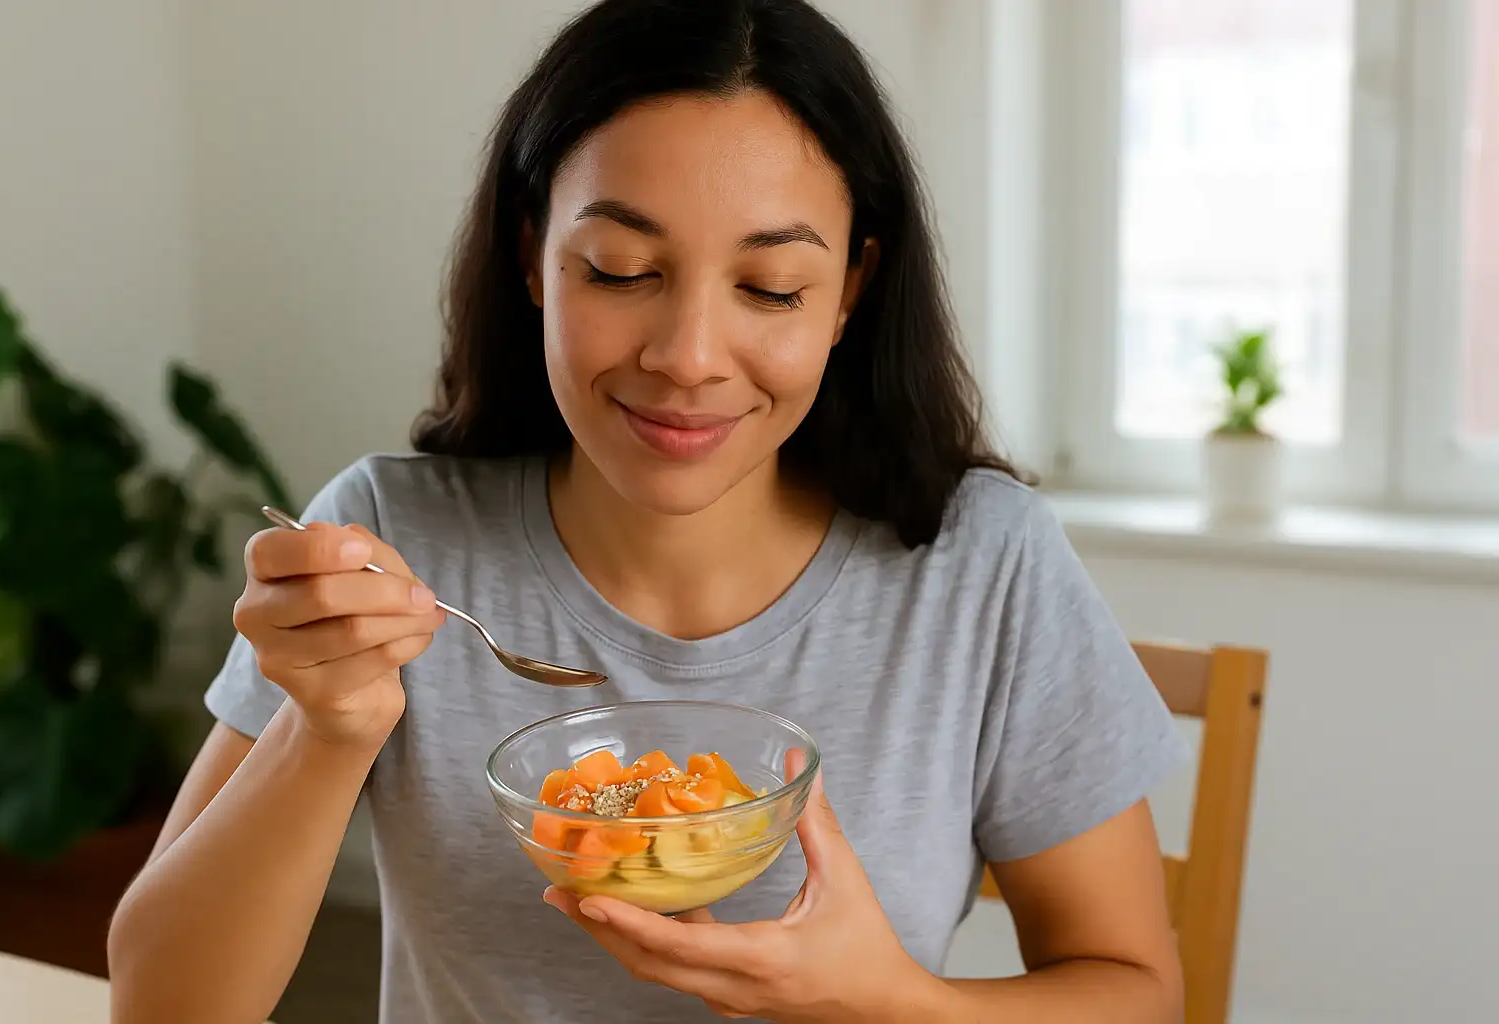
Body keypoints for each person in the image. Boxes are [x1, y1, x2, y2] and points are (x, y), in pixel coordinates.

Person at [107, 1, 1188, 1021]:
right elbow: (162, 999)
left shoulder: (980, 564)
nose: (687, 359)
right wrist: (327, 730)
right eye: (620, 269)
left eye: (770, 287)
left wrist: (892, 1000)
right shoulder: (395, 541)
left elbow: (1137, 990)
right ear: (536, 254)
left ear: (851, 289)